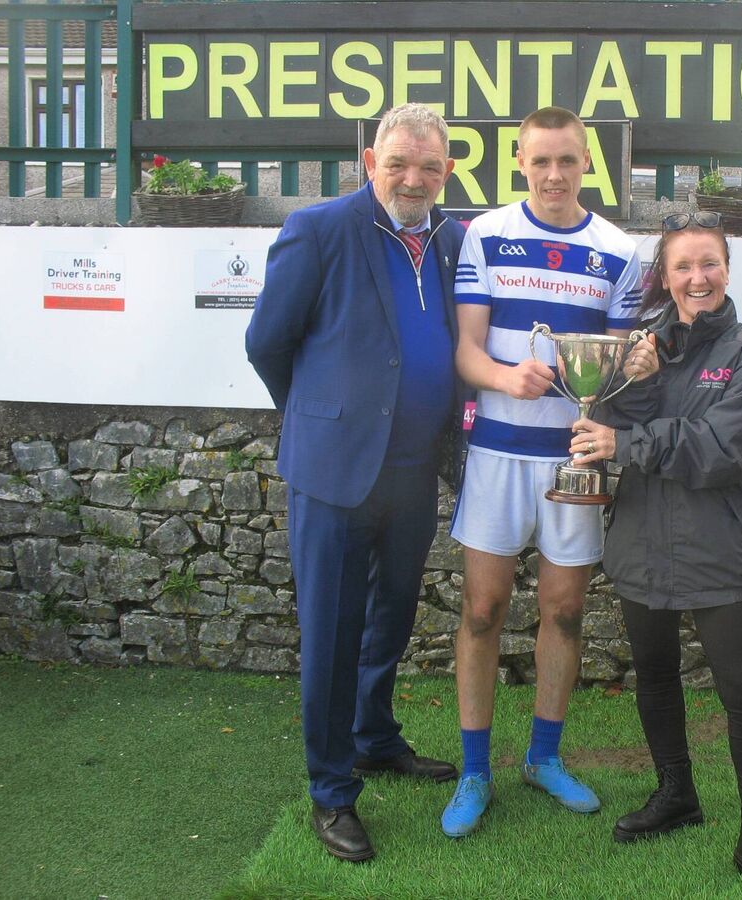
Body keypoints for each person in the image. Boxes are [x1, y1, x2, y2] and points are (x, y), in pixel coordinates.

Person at [245, 103, 465, 863]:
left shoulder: (449, 237)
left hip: (412, 476)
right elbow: (267, 342)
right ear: (370, 161)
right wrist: (319, 416)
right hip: (335, 475)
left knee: (390, 620)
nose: (414, 178)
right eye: (399, 162)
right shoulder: (320, 228)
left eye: (429, 167)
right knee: (334, 635)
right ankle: (332, 791)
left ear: (446, 172)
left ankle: (373, 738)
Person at [569, 211, 742, 900]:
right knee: (655, 675)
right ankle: (677, 794)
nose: (697, 278)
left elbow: (723, 447)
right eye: (683, 267)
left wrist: (630, 443)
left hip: (722, 544)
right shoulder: (642, 346)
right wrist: (631, 381)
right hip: (641, 538)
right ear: (664, 278)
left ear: (726, 270)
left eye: (709, 264)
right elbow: (605, 424)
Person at [442, 106, 643, 838]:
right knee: (482, 612)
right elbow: (464, 352)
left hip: (573, 461)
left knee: (563, 611)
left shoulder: (621, 250)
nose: (554, 174)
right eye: (540, 161)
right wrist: (502, 376)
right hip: (497, 453)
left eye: (568, 161)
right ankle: (473, 771)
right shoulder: (485, 236)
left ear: (588, 163)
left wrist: (636, 364)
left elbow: (615, 373)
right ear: (519, 161)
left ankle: (545, 757)